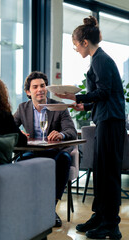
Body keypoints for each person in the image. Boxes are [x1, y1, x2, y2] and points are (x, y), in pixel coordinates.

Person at [55, 16, 125, 239]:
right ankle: (100, 215)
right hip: (106, 119)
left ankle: (111, 224)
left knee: (109, 174)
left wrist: (76, 95)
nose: (75, 49)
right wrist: (83, 103)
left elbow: (104, 92)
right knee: (101, 171)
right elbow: (104, 94)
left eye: (75, 44)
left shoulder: (100, 60)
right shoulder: (99, 60)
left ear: (85, 41)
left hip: (111, 121)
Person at [14, 71, 77, 227]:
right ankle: (27, 208)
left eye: (42, 86)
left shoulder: (59, 106)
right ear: (28, 92)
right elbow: (9, 127)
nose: (40, 89)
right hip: (33, 152)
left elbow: (72, 131)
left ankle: (50, 208)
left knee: (64, 159)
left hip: (55, 152)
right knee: (20, 161)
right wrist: (18, 132)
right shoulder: (23, 108)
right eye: (35, 87)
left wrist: (61, 134)